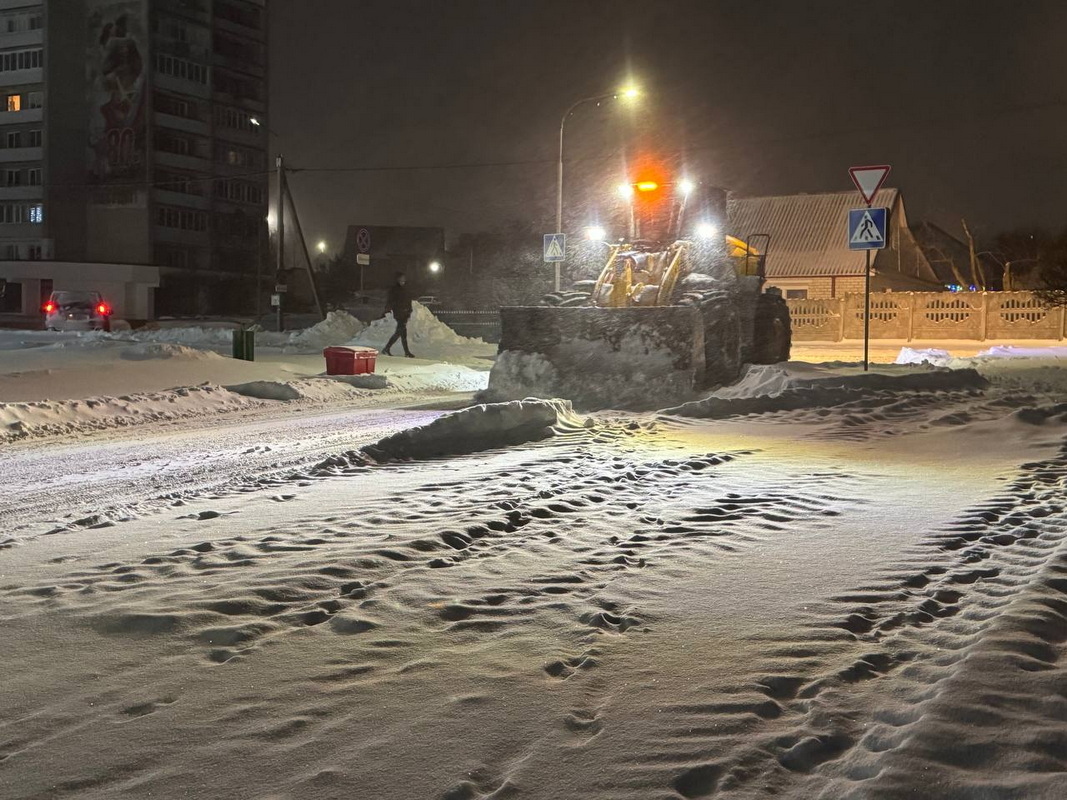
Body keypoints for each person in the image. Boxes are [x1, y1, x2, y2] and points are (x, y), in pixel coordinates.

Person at [383, 272, 415, 358]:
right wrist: (391, 309)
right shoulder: (395, 290)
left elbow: (408, 301)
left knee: (400, 332)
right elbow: (392, 301)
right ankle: (406, 352)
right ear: (398, 280)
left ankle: (388, 349)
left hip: (405, 313)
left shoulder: (405, 289)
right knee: (401, 332)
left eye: (404, 279)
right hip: (399, 313)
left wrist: (409, 310)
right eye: (401, 279)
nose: (403, 281)